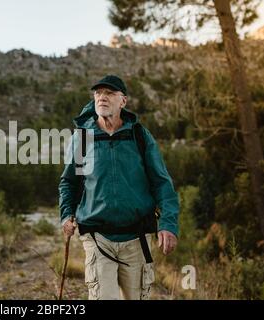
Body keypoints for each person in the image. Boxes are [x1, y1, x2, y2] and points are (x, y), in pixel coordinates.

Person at [58, 75, 179, 300]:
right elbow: (69, 182)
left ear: (123, 101)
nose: (102, 97)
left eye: (110, 93)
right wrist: (66, 215)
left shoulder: (139, 136)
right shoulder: (83, 138)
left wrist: (168, 224)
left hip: (137, 239)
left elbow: (162, 182)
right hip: (97, 237)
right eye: (98, 93)